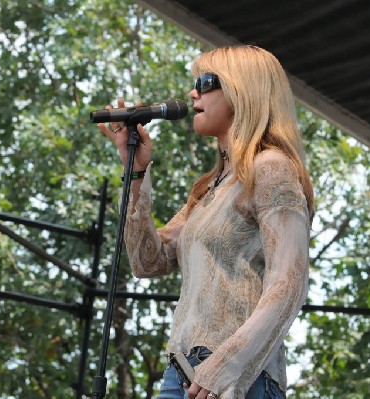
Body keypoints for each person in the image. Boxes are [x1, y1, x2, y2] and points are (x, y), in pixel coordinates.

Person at [99, 45, 314, 398]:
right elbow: (147, 262)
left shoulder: (271, 167)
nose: (192, 92)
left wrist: (225, 367)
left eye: (206, 81)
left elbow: (289, 282)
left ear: (242, 90)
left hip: (236, 378)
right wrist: (135, 170)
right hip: (184, 372)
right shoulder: (212, 186)